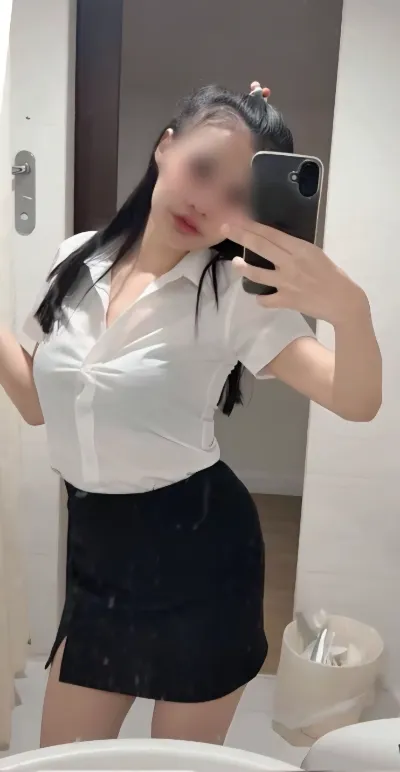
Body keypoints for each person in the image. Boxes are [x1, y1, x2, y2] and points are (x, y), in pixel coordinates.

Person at [0, 80, 381, 748]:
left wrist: (352, 312)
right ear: (165, 147)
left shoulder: (234, 294)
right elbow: (35, 405)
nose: (206, 202)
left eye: (236, 196)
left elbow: (355, 399)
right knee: (66, 758)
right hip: (97, 555)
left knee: (177, 763)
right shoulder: (75, 258)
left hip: (202, 558)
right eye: (203, 169)